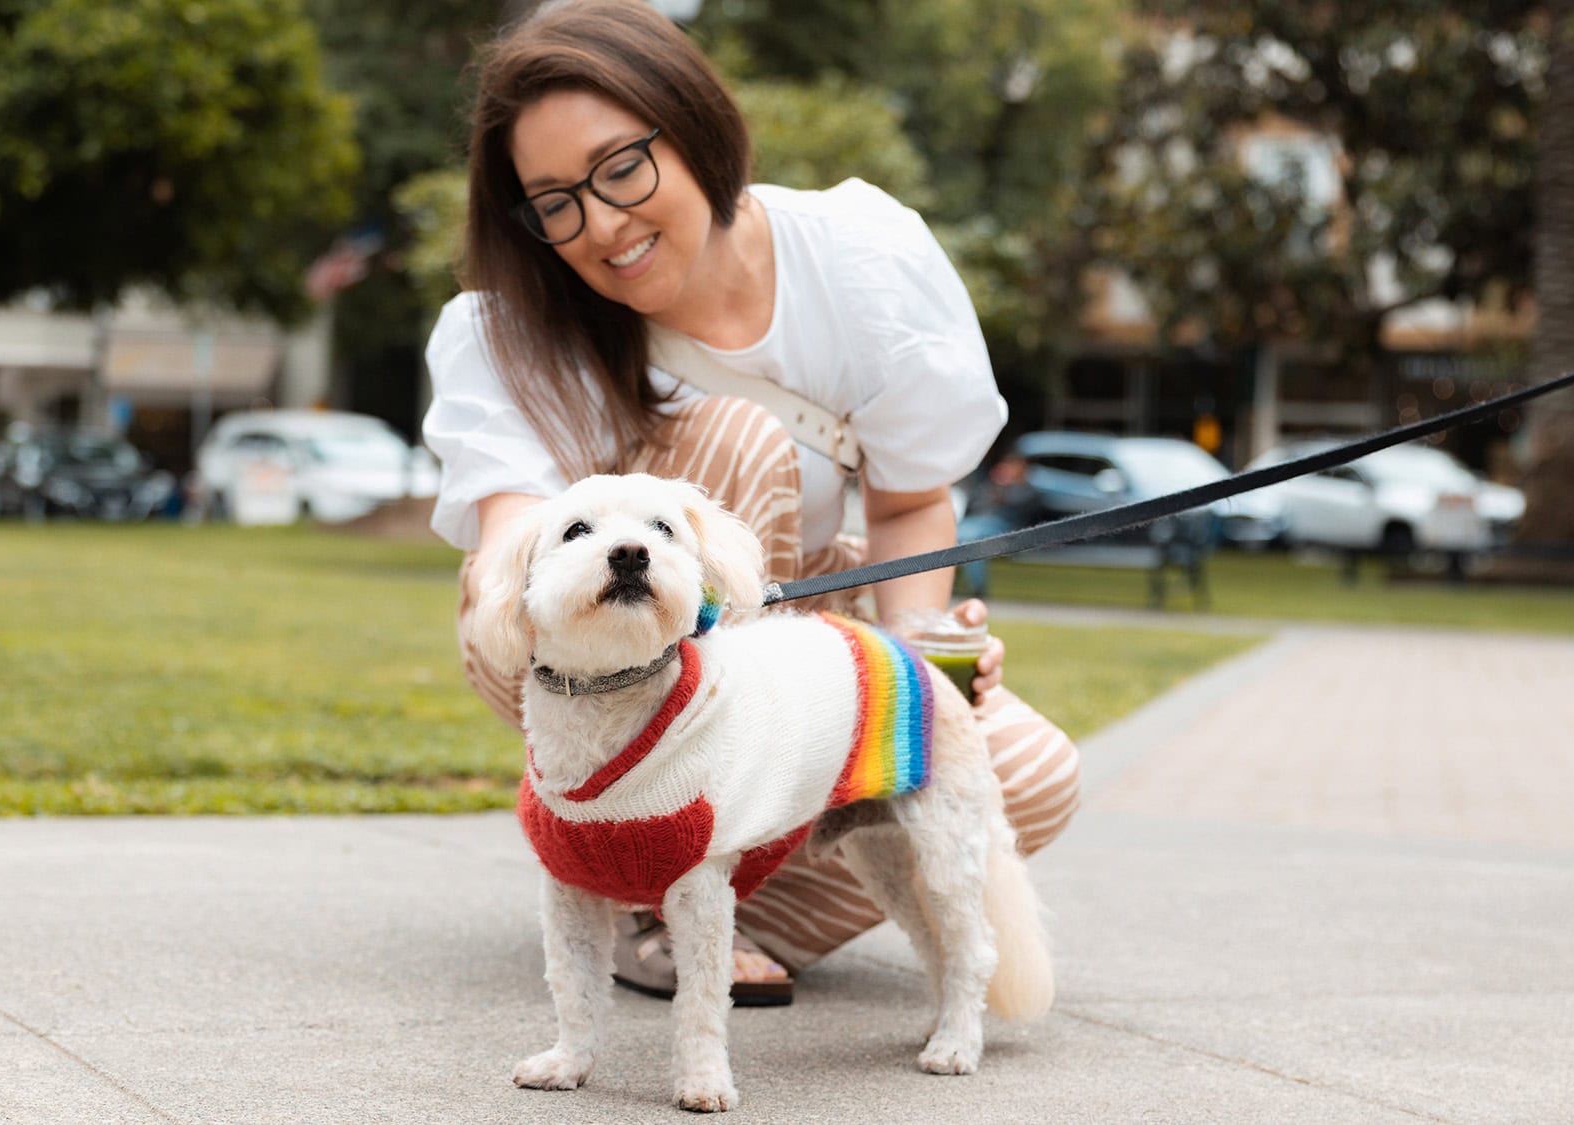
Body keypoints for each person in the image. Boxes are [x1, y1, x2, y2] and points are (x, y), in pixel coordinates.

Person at [421, 0, 1080, 1006]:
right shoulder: (505, 331)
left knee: (1022, 773)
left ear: (692, 127)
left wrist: (921, 659)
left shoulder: (862, 261)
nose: (599, 225)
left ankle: (717, 911)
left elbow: (907, 506)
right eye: (552, 202)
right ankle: (641, 884)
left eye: (620, 169)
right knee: (734, 444)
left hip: (799, 614)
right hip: (580, 641)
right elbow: (510, 540)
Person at [956, 450, 1043, 600]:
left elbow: (1022, 510)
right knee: (955, 535)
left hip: (1004, 529)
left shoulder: (1027, 490)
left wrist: (1003, 489)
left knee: (974, 542)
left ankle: (978, 589)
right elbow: (973, 504)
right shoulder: (989, 486)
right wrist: (993, 488)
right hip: (976, 523)